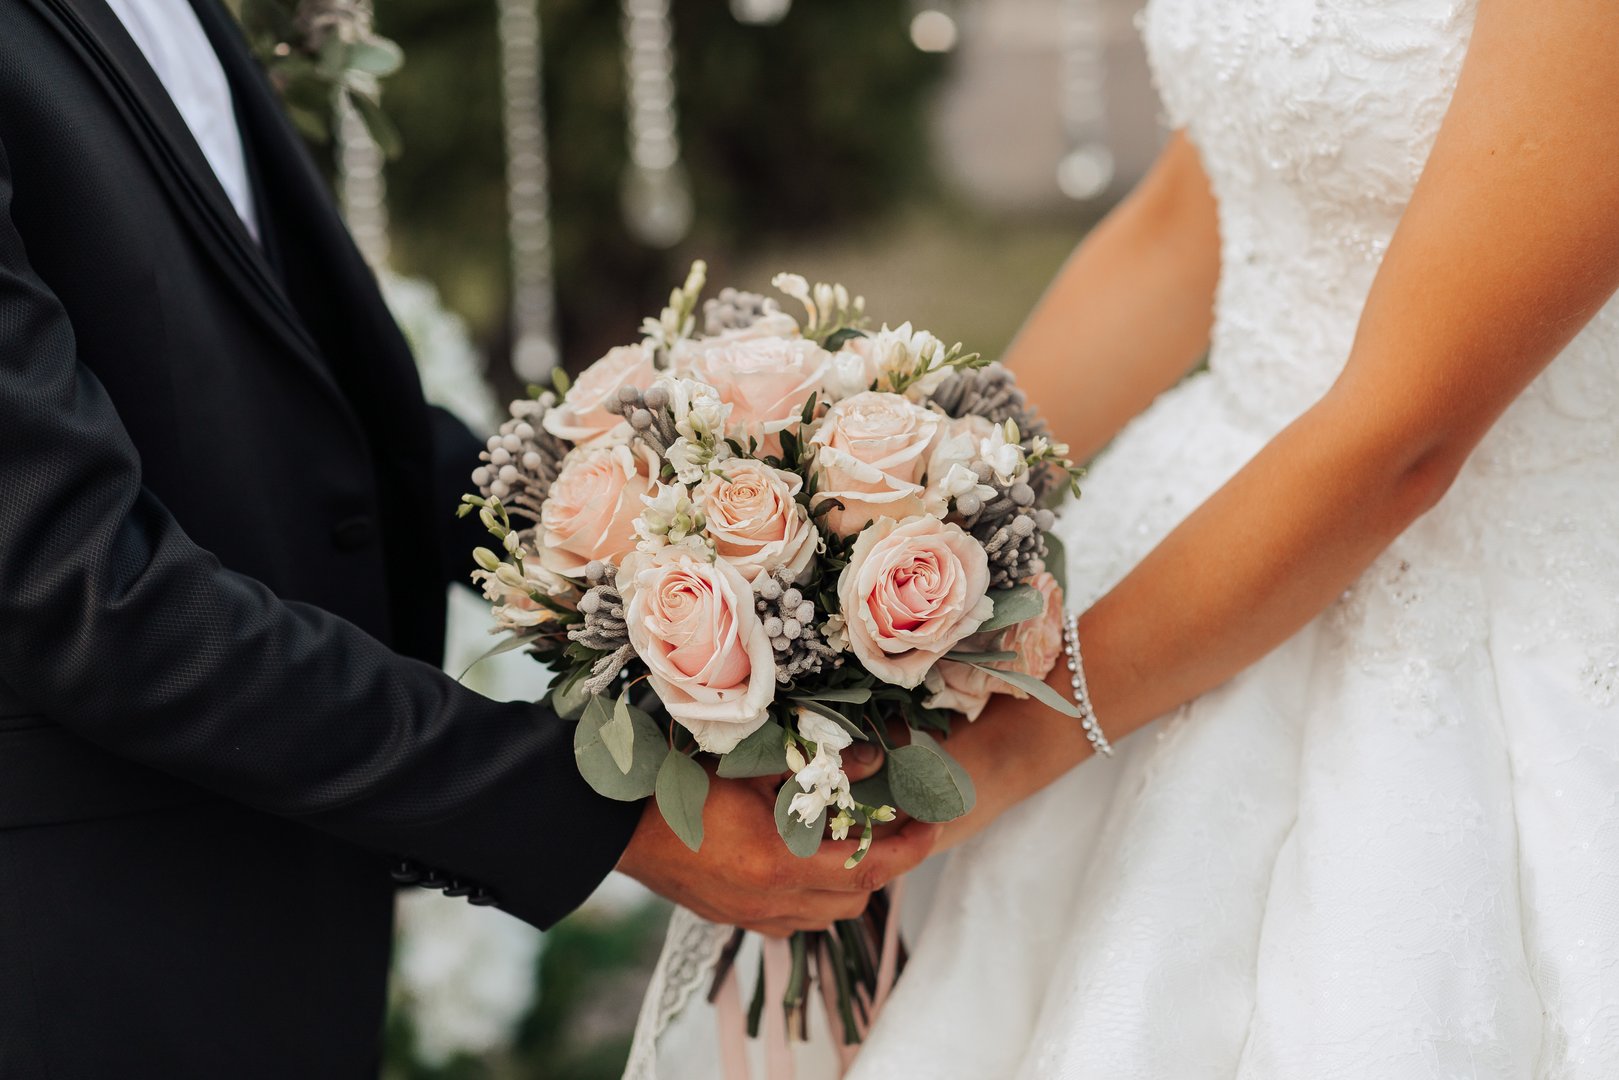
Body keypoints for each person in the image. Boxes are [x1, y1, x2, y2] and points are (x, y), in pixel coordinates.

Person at [631, 0, 1619, 1075]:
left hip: (1484, 594)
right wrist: (895, 520)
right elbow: (1195, 216)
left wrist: (1001, 753)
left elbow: (1405, 440)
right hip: (1187, 513)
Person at [0, 1, 935, 1075]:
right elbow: (79, 590)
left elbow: (303, 429)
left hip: (263, 926)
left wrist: (740, 533)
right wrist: (597, 816)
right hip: (80, 955)